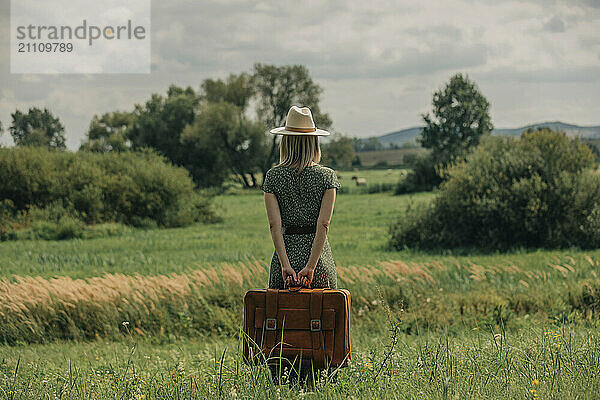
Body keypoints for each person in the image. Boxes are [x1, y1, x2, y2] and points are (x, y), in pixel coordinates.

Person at [261, 105, 341, 386]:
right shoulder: (327, 176)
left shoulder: (273, 177)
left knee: (282, 325)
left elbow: (274, 226)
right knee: (322, 325)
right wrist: (310, 265)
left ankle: (284, 383)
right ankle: (322, 385)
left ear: (287, 140)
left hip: (284, 257)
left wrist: (286, 264)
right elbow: (324, 226)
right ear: (313, 141)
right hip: (318, 259)